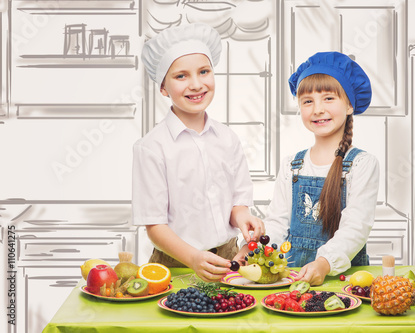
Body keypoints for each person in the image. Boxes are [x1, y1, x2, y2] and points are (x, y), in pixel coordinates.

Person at [133, 23, 264, 282]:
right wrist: (193, 258)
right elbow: (154, 226)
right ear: (163, 88)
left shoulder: (227, 139)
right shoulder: (151, 147)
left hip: (229, 257)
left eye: (204, 72)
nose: (196, 84)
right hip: (176, 263)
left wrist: (244, 218)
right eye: (181, 76)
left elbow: (237, 203)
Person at [244, 52, 379, 285]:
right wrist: (255, 252)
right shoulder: (291, 165)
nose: (317, 109)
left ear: (349, 105)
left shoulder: (361, 164)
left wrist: (325, 263)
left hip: (342, 279)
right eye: (308, 101)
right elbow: (277, 222)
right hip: (291, 278)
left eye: (328, 98)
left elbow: (356, 226)